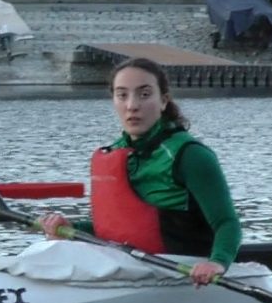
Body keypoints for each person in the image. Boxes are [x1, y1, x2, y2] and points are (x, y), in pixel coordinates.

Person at [38, 57, 242, 286]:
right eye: (122, 95)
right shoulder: (114, 153)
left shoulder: (190, 155)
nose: (132, 105)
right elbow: (121, 227)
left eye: (144, 94)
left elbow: (227, 223)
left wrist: (217, 263)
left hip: (183, 272)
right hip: (133, 268)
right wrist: (72, 228)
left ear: (163, 101)